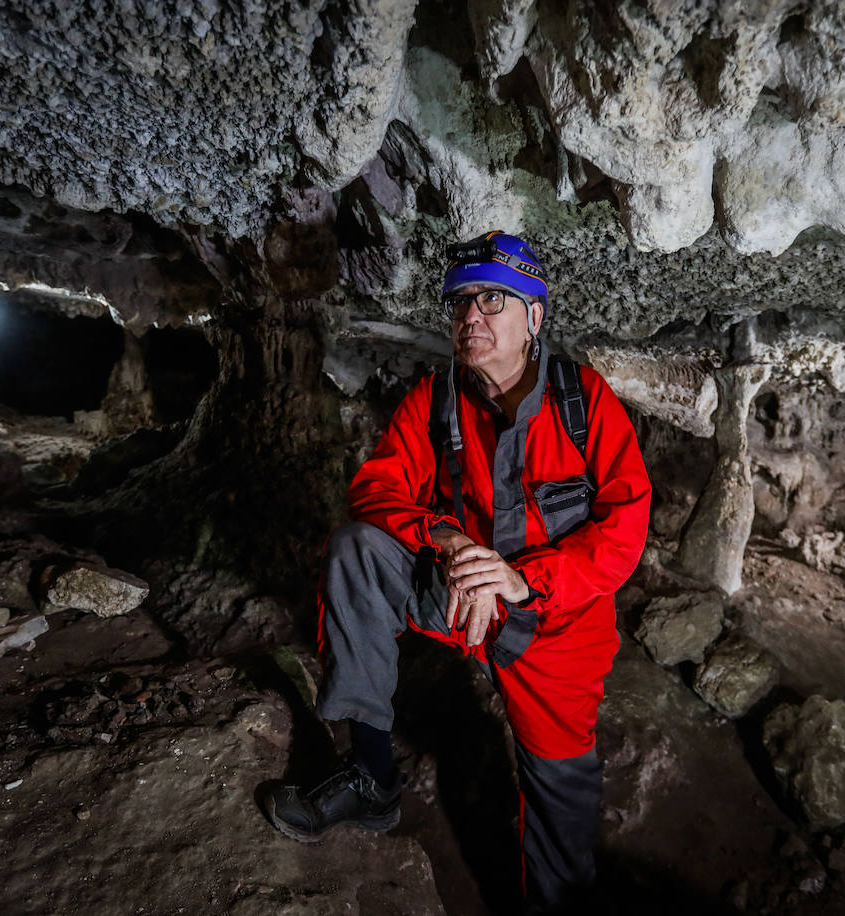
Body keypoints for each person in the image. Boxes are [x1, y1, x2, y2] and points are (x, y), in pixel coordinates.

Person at [266, 231, 651, 910]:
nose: (470, 315)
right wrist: (445, 538)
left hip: (554, 629)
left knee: (562, 805)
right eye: (460, 302)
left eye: (492, 300)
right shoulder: (436, 400)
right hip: (459, 597)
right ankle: (374, 777)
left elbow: (624, 528)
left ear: (535, 316)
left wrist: (526, 578)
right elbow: (376, 489)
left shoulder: (584, 404)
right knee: (360, 548)